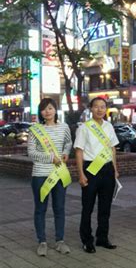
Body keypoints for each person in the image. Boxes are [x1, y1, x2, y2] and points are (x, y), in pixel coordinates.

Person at [74, 97, 120, 253]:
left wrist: (115, 169)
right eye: (96, 107)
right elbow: (79, 151)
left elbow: (113, 149)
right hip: (91, 170)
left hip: (107, 170)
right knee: (87, 208)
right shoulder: (84, 128)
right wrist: (80, 174)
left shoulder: (109, 127)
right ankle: (87, 240)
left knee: (105, 207)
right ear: (90, 109)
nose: (100, 109)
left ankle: (102, 238)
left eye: (103, 107)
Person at [28, 98, 72, 256]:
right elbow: (31, 153)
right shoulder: (35, 129)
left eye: (50, 108)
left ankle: (60, 241)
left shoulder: (64, 127)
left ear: (55, 110)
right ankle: (42, 242)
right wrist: (51, 158)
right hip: (40, 174)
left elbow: (68, 142)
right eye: (44, 109)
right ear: (40, 112)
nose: (47, 111)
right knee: (40, 209)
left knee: (59, 208)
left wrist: (66, 153)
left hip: (59, 173)